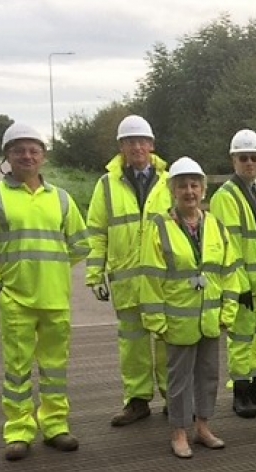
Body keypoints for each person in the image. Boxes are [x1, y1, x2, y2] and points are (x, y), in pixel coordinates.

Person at [0, 123, 89, 461]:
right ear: (7, 155)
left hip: (55, 300)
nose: (27, 155)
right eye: (19, 149)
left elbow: (80, 244)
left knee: (55, 369)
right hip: (16, 300)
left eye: (34, 149)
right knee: (17, 370)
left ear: (43, 156)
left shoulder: (61, 198)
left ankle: (54, 426)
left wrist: (53, 271)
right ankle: (18, 431)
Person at [139, 157, 241, 458]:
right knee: (179, 378)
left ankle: (203, 426)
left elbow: (230, 272)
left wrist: (228, 312)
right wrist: (156, 321)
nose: (189, 191)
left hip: (209, 318)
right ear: (173, 190)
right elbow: (151, 277)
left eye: (194, 185)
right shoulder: (159, 228)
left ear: (203, 190)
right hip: (177, 320)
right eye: (182, 185)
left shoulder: (216, 227)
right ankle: (179, 431)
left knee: (208, 374)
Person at [86, 115, 171, 426]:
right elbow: (96, 231)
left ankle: (172, 399)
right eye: (129, 142)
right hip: (126, 280)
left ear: (151, 145)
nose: (136, 147)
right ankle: (137, 401)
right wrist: (94, 273)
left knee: (166, 341)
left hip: (164, 281)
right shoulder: (105, 185)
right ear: (121, 147)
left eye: (141, 141)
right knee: (132, 345)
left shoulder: (170, 180)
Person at [209, 129, 256, 419]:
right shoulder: (225, 197)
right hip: (243, 284)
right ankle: (240, 390)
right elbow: (227, 246)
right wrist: (236, 286)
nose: (250, 163)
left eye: (254, 158)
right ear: (234, 160)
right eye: (244, 158)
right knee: (241, 337)